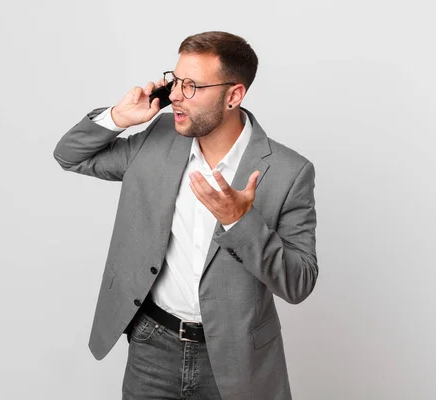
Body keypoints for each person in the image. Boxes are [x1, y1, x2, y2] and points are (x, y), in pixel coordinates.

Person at [54, 31, 318, 400]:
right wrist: (119, 117)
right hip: (152, 346)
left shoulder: (289, 172)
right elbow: (70, 156)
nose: (175, 94)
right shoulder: (156, 138)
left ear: (234, 96)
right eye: (176, 80)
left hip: (237, 359)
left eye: (192, 85)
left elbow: (299, 282)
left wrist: (241, 223)